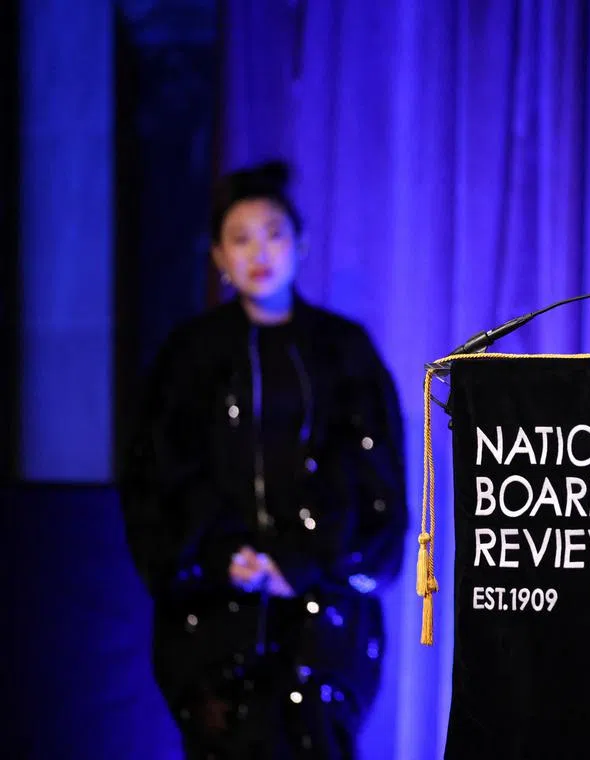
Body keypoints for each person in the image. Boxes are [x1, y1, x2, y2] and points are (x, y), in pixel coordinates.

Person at [118, 160, 408, 759]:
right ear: (219, 257)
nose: (259, 252)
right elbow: (160, 471)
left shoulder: (344, 349)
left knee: (316, 734)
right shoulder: (189, 354)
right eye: (241, 238)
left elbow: (374, 473)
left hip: (322, 602)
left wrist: (302, 560)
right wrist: (222, 555)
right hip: (213, 603)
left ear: (300, 244)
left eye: (274, 234)